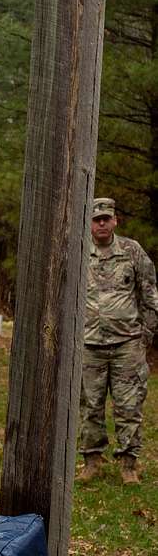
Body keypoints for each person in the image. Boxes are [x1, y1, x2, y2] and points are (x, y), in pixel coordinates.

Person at [79, 197, 156, 485]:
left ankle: (128, 464)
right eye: (96, 219)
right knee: (89, 405)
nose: (101, 223)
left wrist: (144, 337)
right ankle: (91, 460)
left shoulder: (131, 251)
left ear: (114, 221)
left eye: (106, 218)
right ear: (89, 222)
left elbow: (150, 295)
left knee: (129, 405)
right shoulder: (79, 250)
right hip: (88, 345)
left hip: (127, 345)